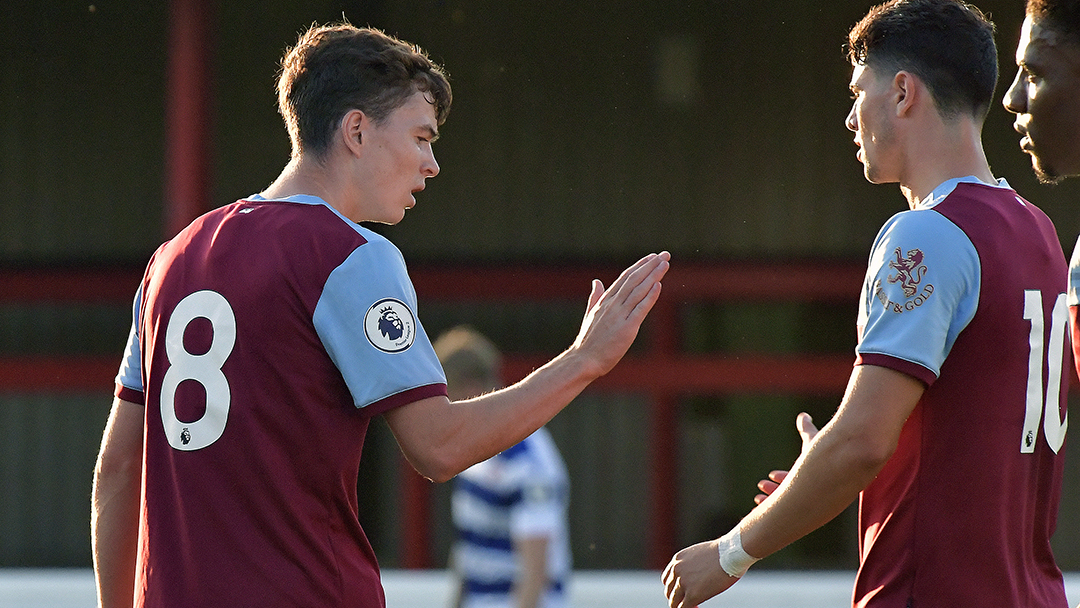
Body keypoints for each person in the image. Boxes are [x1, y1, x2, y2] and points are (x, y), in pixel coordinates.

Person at [90, 23, 669, 608]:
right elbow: (438, 447)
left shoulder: (173, 257)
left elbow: (116, 469)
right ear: (357, 131)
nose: (432, 164)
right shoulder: (349, 255)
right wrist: (584, 361)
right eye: (422, 137)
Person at [662, 1, 1071, 607]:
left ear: (903, 92)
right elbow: (961, 440)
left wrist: (730, 552)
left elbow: (861, 443)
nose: (852, 117)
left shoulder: (926, 234)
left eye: (859, 91)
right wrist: (825, 470)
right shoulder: (1040, 232)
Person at [434, 326, 571, 608]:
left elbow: (535, 572)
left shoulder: (529, 460)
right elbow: (468, 554)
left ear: (470, 391)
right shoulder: (472, 455)